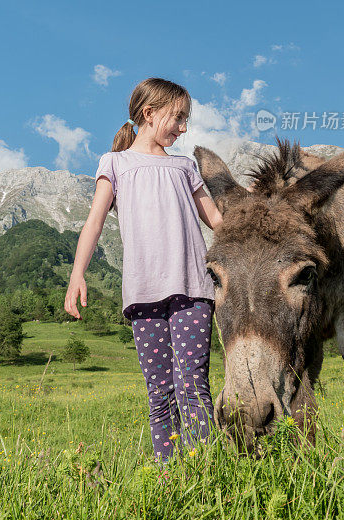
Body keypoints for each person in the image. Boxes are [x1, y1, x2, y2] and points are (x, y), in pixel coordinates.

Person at [64, 77, 226, 464]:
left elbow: (220, 221)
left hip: (193, 289)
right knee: (160, 393)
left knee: (193, 385)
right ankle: (168, 474)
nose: (183, 127)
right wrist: (77, 274)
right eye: (179, 117)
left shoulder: (185, 167)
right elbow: (95, 222)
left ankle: (205, 471)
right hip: (142, 294)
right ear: (149, 114)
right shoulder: (116, 163)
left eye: (186, 119)